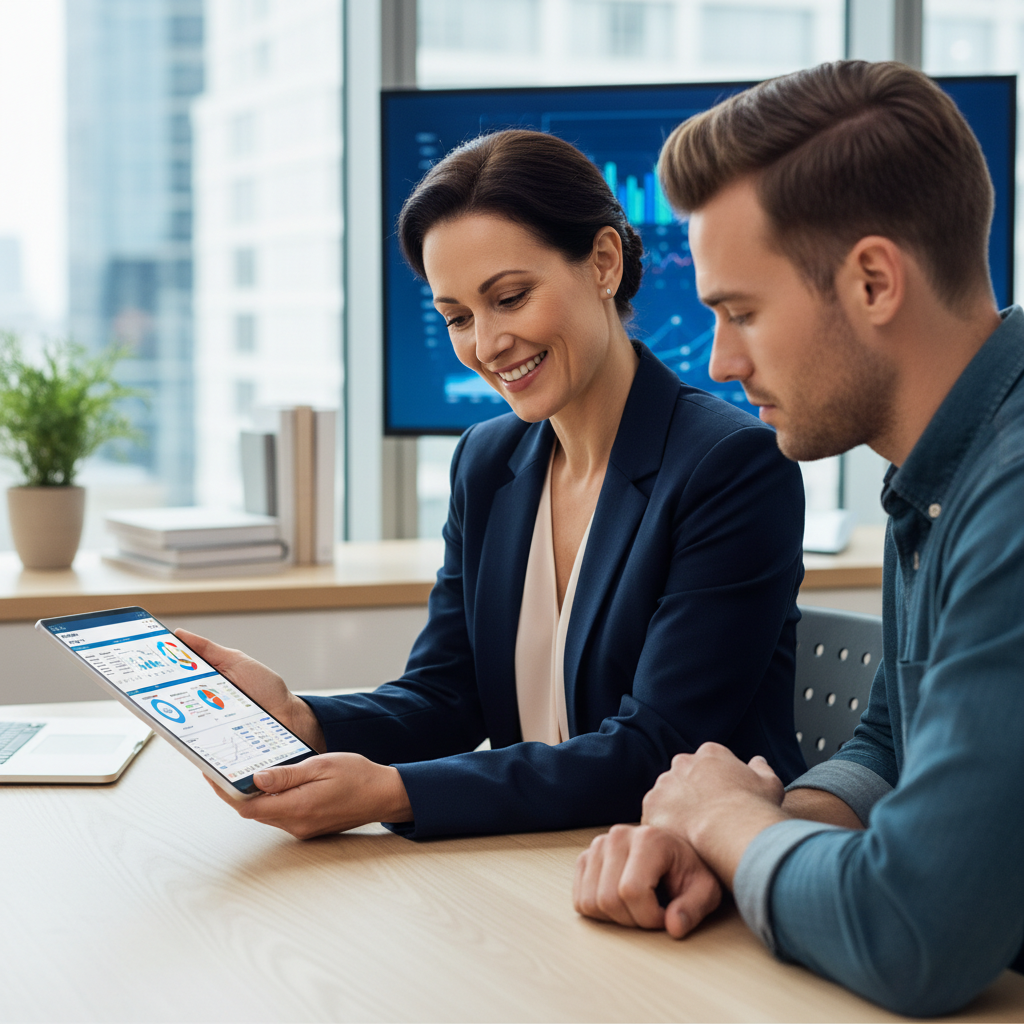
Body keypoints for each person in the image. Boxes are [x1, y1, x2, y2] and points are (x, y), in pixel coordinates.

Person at [179, 128, 806, 842]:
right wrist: (302, 718)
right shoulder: (489, 460)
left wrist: (393, 792)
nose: (486, 344)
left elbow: (657, 751)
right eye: (457, 318)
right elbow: (448, 695)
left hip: (687, 867)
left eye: (509, 297)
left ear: (603, 262)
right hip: (534, 860)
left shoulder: (731, 465)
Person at [572, 61, 1024, 1016]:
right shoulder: (942, 466)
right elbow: (889, 742)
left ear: (871, 280)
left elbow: (915, 932)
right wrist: (731, 840)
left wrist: (729, 818)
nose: (720, 363)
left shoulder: (1013, 492)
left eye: (740, 312)